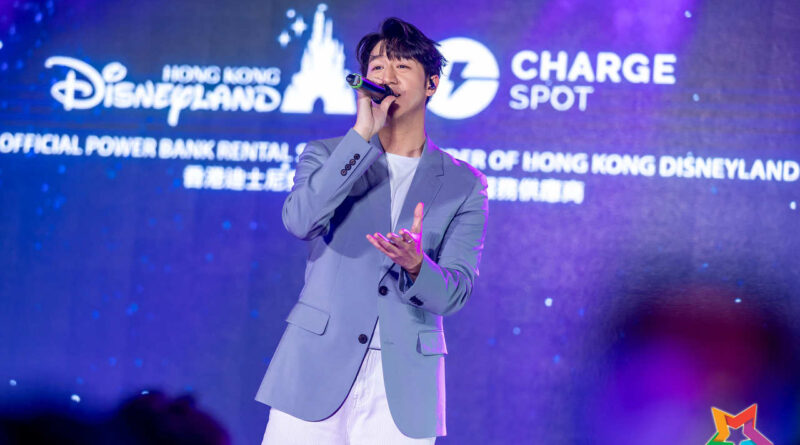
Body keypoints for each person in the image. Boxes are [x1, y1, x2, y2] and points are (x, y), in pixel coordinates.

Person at [255, 17, 488, 444]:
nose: (387, 77)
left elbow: (455, 292)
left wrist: (417, 265)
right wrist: (362, 134)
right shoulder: (328, 155)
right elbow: (300, 221)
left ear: (432, 84)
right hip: (315, 365)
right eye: (378, 66)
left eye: (402, 66)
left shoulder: (464, 183)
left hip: (403, 382)